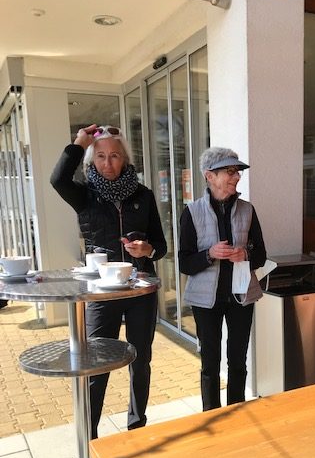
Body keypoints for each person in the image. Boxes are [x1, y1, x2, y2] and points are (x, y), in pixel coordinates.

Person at [51, 124, 167, 440]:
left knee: (140, 361)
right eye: (101, 156)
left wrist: (148, 249)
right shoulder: (84, 195)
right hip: (102, 293)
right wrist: (79, 143)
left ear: (125, 159)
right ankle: (90, 438)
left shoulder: (143, 195)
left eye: (115, 155)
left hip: (140, 290)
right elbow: (57, 179)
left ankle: (136, 427)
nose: (108, 163)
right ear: (92, 160)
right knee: (97, 364)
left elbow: (161, 245)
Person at [179, 147, 266, 411]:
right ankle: (211, 414)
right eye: (230, 171)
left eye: (237, 172)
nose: (236, 177)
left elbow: (261, 255)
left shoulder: (248, 210)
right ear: (210, 176)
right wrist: (209, 254)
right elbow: (185, 262)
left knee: (238, 360)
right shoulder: (192, 212)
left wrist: (245, 254)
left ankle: (237, 412)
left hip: (241, 296)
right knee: (210, 363)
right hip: (205, 300)